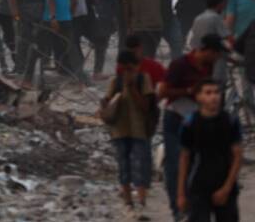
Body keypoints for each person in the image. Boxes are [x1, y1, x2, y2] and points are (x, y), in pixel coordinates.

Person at [159, 34, 225, 220]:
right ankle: (178, 211)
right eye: (216, 54)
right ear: (207, 51)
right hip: (175, 118)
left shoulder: (208, 66)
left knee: (195, 165)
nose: (217, 59)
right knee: (175, 166)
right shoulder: (179, 65)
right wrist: (188, 91)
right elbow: (163, 91)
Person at [177, 80, 243, 221]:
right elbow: (184, 158)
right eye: (208, 93)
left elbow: (237, 156)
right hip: (198, 185)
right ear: (199, 97)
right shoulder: (190, 123)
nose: (214, 97)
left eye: (216, 92)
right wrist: (181, 193)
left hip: (225, 183)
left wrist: (226, 188)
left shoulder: (230, 121)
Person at [103, 49, 157, 217]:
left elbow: (145, 106)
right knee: (124, 166)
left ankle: (141, 202)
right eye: (123, 69)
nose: (127, 72)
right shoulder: (115, 82)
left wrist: (132, 87)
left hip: (139, 131)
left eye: (130, 69)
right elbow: (107, 104)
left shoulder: (143, 80)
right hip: (120, 131)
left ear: (136, 67)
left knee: (139, 166)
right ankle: (128, 201)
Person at [40, 0, 79, 81]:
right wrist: (70, 13)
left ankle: (54, 71)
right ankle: (68, 72)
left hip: (51, 18)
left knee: (47, 46)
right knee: (66, 46)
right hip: (66, 17)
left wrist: (52, 16)